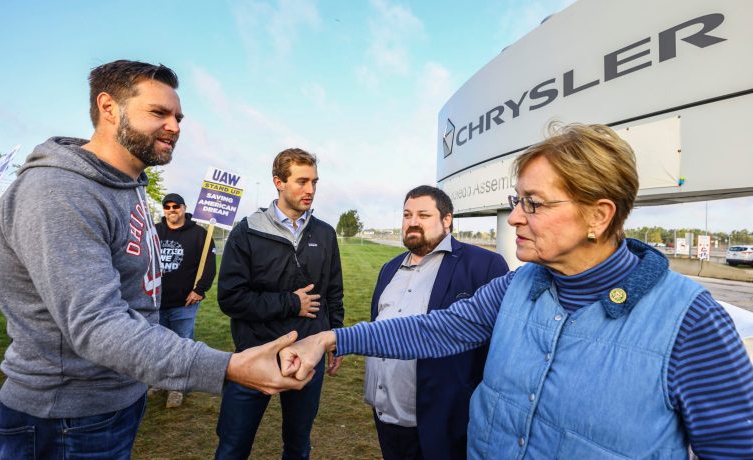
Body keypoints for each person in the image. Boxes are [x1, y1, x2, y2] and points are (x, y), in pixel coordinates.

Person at [282, 123, 753, 459]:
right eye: (516, 200)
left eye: (535, 204)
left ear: (598, 215)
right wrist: (331, 338)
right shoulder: (517, 285)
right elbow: (438, 330)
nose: (514, 218)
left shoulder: (693, 323)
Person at [0, 60, 311, 460]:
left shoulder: (128, 187)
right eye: (158, 113)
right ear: (109, 107)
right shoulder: (59, 192)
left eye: (178, 116)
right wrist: (227, 366)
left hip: (116, 399)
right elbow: (97, 325)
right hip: (63, 419)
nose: (175, 126)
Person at [215, 148, 344, 460]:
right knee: (233, 447)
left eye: (314, 181)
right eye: (302, 181)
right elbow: (231, 298)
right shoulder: (247, 231)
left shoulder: (325, 233)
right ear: (278, 182)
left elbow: (333, 293)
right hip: (255, 354)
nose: (310, 190)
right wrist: (291, 304)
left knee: (298, 446)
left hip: (307, 355)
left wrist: (335, 337)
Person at [366, 185, 508, 460]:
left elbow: (498, 348)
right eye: (407, 215)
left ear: (447, 220)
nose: (412, 222)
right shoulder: (389, 268)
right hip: (386, 414)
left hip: (443, 421)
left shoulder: (484, 265)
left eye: (423, 215)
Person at [154, 192, 217, 408]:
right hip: (156, 302)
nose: (171, 210)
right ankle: (160, 382)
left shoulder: (199, 234)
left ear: (183, 208)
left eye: (175, 206)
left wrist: (199, 290)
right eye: (167, 207)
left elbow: (209, 266)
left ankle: (178, 387)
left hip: (184, 303)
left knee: (182, 346)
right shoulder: (154, 232)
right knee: (158, 345)